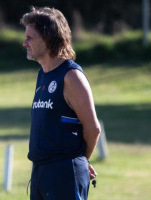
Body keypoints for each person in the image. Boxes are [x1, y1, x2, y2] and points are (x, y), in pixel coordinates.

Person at [21, 7, 101, 200]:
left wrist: (80, 160)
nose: (25, 43)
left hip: (64, 172)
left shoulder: (71, 76)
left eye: (30, 38)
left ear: (48, 38)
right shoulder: (43, 74)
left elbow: (93, 128)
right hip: (40, 171)